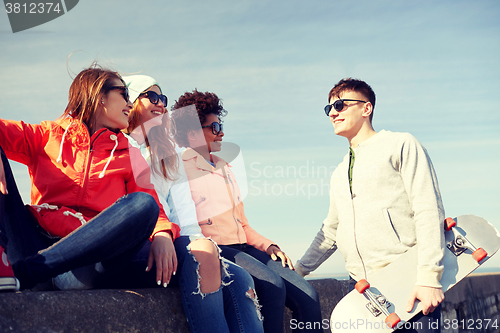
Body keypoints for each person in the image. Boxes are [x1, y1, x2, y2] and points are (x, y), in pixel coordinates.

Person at [0, 65, 180, 294]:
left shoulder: (129, 153)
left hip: (86, 265)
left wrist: (163, 233)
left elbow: (149, 199)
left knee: (144, 205)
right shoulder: (47, 135)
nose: (130, 104)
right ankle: (19, 267)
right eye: (124, 94)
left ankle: (31, 272)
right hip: (31, 244)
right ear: (99, 96)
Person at [296, 78, 445, 332]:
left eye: (341, 105)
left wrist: (430, 277)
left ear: (366, 109)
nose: (333, 112)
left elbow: (428, 209)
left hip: (408, 281)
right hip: (364, 293)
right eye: (329, 108)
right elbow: (331, 231)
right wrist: (297, 271)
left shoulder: (400, 144)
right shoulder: (339, 172)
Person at [170, 89, 323, 333]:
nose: (222, 132)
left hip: (245, 247)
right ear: (193, 133)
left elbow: (243, 224)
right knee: (272, 286)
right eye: (215, 126)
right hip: (217, 249)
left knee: (308, 296)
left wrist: (269, 246)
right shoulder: (179, 167)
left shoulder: (225, 168)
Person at [122, 75, 264, 333]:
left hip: (175, 239)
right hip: (143, 241)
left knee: (241, 278)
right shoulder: (122, 148)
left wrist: (199, 243)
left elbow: (183, 213)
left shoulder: (166, 154)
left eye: (162, 99)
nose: (160, 104)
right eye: (151, 96)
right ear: (130, 101)